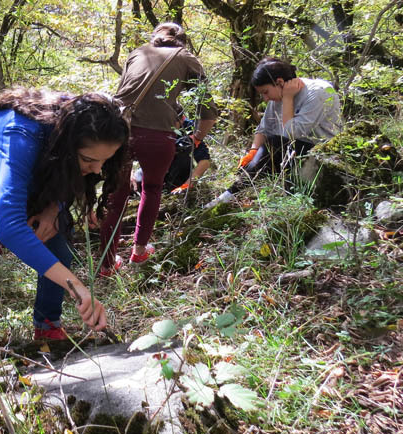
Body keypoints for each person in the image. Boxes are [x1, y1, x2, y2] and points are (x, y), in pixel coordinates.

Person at [0, 88, 129, 340]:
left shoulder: (84, 121)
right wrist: (77, 287)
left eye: (105, 160)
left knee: (58, 243)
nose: (98, 169)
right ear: (68, 146)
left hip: (32, 166)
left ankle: (47, 325)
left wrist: (53, 207)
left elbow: (61, 171)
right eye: (89, 160)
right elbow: (10, 227)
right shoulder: (21, 135)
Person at [98, 22, 217, 277]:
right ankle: (139, 252)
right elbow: (208, 112)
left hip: (120, 131)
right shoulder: (187, 58)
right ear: (182, 41)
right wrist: (196, 139)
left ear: (155, 38)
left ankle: (106, 264)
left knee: (115, 196)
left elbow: (123, 94)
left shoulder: (138, 52)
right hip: (158, 135)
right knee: (151, 190)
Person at [204, 57, 342, 208]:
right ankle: (231, 196)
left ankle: (227, 196)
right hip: (291, 152)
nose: (265, 98)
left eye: (266, 92)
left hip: (321, 152)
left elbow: (291, 133)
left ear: (280, 82)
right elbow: (264, 129)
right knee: (259, 156)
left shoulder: (318, 92)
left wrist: (288, 98)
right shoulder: (277, 98)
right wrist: (253, 151)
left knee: (274, 144)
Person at [132, 115, 212, 194]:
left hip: (177, 170)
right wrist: (131, 175)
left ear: (181, 119)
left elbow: (204, 161)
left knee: (183, 154)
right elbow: (128, 154)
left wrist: (187, 185)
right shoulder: (152, 126)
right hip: (152, 168)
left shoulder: (188, 128)